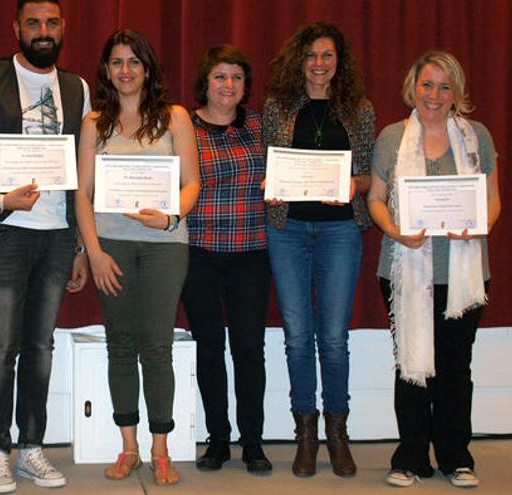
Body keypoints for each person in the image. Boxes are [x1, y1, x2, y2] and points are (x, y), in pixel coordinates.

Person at [0, 0, 90, 492]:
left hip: (58, 235)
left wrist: (82, 247)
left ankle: (31, 449)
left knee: (40, 346)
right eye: (34, 24)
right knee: (2, 346)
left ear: (62, 28)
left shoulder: (78, 88)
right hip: (4, 230)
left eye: (51, 23)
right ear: (17, 28)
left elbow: (84, 172)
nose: (43, 32)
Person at [367, 51, 501, 489]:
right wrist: (396, 230)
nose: (435, 95)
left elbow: (493, 198)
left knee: (455, 368)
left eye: (445, 86)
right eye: (427, 84)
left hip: (463, 276)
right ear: (413, 87)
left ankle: (456, 457)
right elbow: (375, 200)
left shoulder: (476, 136)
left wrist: (479, 225)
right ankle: (409, 458)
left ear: (457, 92)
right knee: (412, 364)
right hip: (404, 269)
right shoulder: (392, 137)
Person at [75, 28, 200, 486]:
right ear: (106, 71)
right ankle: (128, 446)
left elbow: (192, 184)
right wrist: (94, 253)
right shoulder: (94, 124)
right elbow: (82, 196)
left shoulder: (175, 118)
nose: (125, 70)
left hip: (166, 246)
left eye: (133, 61)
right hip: (113, 247)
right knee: (121, 345)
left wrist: (169, 219)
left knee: (157, 346)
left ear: (147, 69)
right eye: (116, 62)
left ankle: (160, 448)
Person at [263, 21, 375, 478]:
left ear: (338, 62)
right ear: (299, 61)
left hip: (340, 231)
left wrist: (354, 184)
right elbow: (272, 164)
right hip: (288, 230)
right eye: (310, 55)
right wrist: (272, 185)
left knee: (332, 338)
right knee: (295, 335)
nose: (318, 64)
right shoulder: (278, 106)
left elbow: (370, 176)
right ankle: (304, 434)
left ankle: (337, 434)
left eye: (327, 55)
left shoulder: (359, 109)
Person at [181, 44, 272, 474]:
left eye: (236, 77)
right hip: (198, 253)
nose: (228, 85)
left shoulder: (259, 124)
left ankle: (253, 441)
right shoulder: (185, 126)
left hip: (250, 253)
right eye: (220, 76)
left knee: (250, 348)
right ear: (206, 81)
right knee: (210, 347)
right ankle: (218, 439)